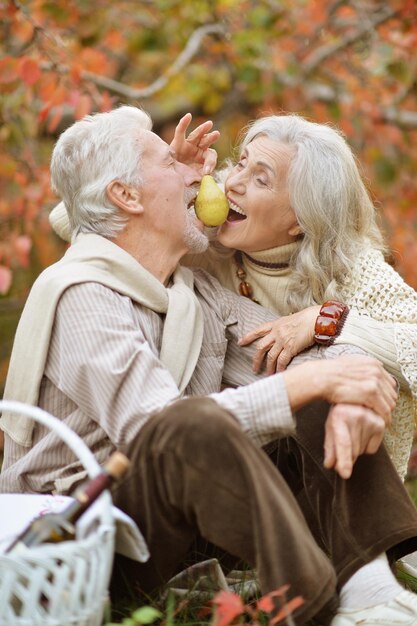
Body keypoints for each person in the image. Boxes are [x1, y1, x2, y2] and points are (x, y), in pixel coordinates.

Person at [2, 105, 417, 626]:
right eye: (170, 163)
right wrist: (313, 380)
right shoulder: (85, 295)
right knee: (194, 419)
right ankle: (313, 605)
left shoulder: (193, 293)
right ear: (127, 195)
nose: (204, 173)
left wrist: (351, 380)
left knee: (321, 385)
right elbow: (157, 430)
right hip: (85, 533)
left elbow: (308, 358)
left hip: (176, 527)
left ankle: (370, 594)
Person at [174, 113, 417, 481]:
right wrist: (168, 174)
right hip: (217, 462)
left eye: (261, 178)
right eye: (241, 163)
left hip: (322, 475)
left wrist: (328, 320)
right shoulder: (198, 235)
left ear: (301, 217)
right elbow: (77, 222)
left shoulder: (351, 270)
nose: (234, 183)